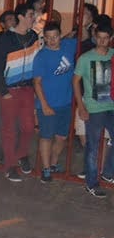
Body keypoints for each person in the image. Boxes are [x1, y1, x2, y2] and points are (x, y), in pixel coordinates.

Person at [0, 2, 39, 182]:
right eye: (31, 14)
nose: (34, 18)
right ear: (21, 17)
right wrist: (3, 91)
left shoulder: (33, 37)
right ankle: (10, 166)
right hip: (10, 90)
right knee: (9, 129)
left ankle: (21, 154)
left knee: (28, 127)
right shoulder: (4, 39)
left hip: (27, 89)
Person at [72, 21, 114, 197]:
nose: (102, 41)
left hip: (111, 106)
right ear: (95, 38)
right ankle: (91, 183)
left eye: (106, 38)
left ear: (111, 39)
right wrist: (81, 107)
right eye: (100, 38)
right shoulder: (85, 58)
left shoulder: (112, 55)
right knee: (93, 147)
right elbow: (75, 82)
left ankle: (108, 173)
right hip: (94, 108)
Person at [32, 22, 77, 183]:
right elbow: (37, 82)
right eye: (48, 37)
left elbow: (83, 38)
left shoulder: (69, 46)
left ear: (60, 36)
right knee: (46, 136)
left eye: (55, 37)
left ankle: (53, 163)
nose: (52, 40)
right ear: (44, 37)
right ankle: (45, 168)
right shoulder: (41, 56)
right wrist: (44, 105)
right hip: (48, 104)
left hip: (66, 103)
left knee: (61, 137)